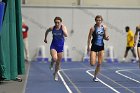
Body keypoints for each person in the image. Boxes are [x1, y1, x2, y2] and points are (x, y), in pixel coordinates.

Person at [44, 17, 68, 81]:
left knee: (58, 62)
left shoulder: (63, 27)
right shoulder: (52, 28)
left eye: (58, 22)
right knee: (55, 58)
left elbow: (66, 35)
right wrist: (45, 38)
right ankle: (52, 63)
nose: (57, 24)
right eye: (56, 22)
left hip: (60, 47)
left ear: (60, 22)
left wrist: (63, 30)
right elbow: (47, 31)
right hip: (53, 46)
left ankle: (55, 73)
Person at [87, 15, 109, 82]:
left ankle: (95, 76)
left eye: (100, 20)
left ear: (101, 21)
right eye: (97, 20)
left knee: (99, 63)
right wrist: (88, 46)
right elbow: (89, 37)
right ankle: (93, 57)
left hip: (101, 47)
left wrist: (107, 38)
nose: (98, 21)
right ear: (95, 21)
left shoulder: (104, 27)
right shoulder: (92, 28)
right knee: (92, 63)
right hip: (94, 46)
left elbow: (104, 37)